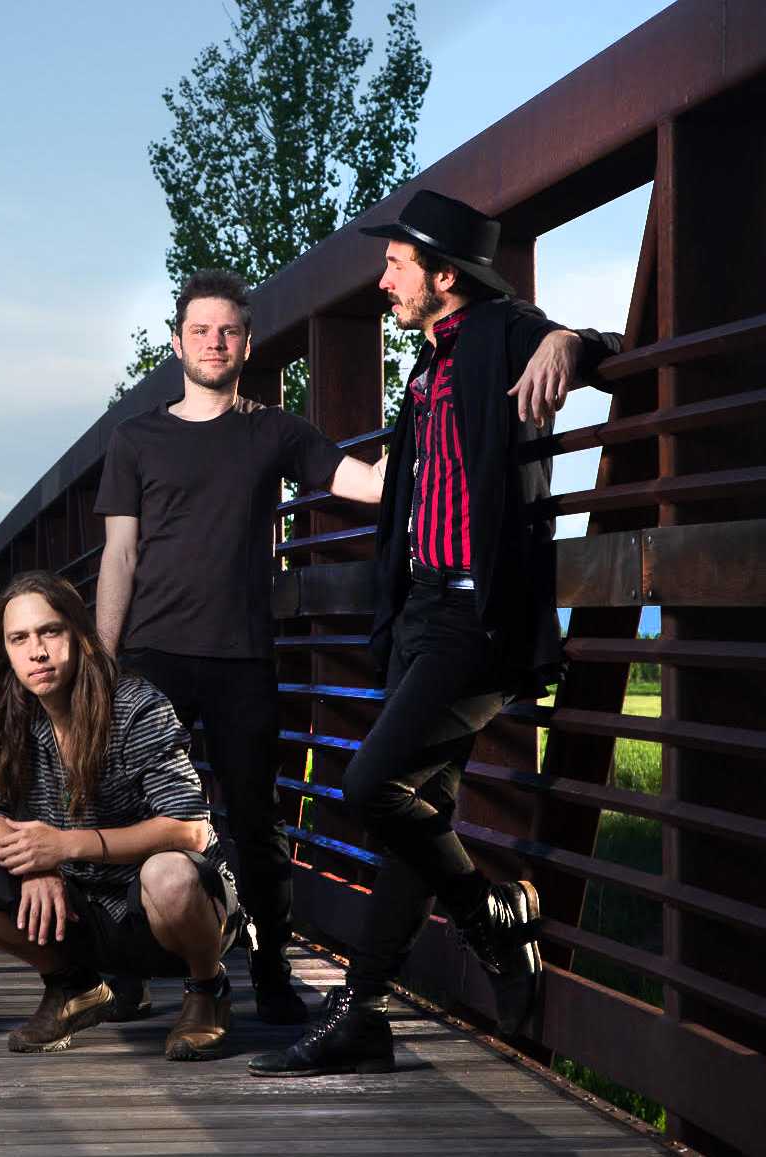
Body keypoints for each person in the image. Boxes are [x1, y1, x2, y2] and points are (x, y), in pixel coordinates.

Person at [250, 191, 622, 1077]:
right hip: (420, 613)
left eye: (397, 266)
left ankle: (491, 914)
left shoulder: (499, 332)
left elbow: (596, 345)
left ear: (444, 276)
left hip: (474, 615)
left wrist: (569, 345)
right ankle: (363, 1012)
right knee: (422, 806)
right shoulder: (422, 374)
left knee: (372, 782)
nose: (384, 281)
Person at [93, 268, 386, 1025]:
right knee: (124, 812)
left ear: (246, 343)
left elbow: (368, 482)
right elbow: (117, 557)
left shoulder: (273, 430)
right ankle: (121, 972)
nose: (213, 342)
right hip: (150, 656)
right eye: (200, 330)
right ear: (176, 343)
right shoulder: (136, 439)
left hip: (241, 657)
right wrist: (100, 659)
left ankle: (272, 976)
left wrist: (441, 416)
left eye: (227, 330)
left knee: (256, 821)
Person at [0, 571, 242, 1060]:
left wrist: (65, 845)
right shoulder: (10, 712)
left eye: (49, 632)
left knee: (170, 874)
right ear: (7, 651)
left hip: (159, 913)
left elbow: (188, 827)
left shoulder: (136, 706)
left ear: (79, 636)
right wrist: (36, 863)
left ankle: (207, 990)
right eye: (20, 639)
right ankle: (73, 987)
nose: (37, 651)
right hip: (75, 910)